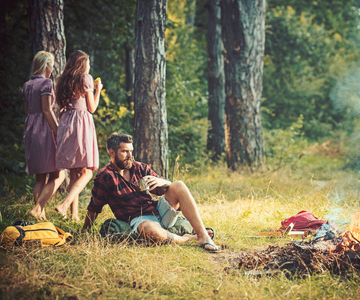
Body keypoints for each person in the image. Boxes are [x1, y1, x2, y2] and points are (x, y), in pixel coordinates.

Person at [81, 133, 221, 252]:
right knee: (147, 228)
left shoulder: (139, 168)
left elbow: (163, 190)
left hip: (159, 212)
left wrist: (163, 183)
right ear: (112, 153)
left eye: (131, 151)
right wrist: (84, 232)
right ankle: (185, 239)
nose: (130, 156)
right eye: (125, 152)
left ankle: (203, 236)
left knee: (178, 185)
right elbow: (94, 207)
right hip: (139, 220)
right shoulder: (105, 177)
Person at [54, 50, 103, 221]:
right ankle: (64, 204)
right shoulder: (85, 78)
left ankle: (73, 216)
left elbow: (61, 107)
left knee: (75, 171)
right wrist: (98, 91)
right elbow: (92, 107)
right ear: (83, 64)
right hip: (81, 122)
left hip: (66, 121)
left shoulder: (62, 81)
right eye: (88, 63)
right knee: (88, 172)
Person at [23, 50, 66, 220]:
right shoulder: (46, 83)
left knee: (40, 177)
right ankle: (38, 208)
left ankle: (40, 215)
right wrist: (58, 132)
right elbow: (47, 110)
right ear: (46, 65)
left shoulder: (26, 85)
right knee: (59, 174)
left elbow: (27, 112)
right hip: (45, 130)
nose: (53, 67)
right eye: (52, 64)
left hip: (30, 130)